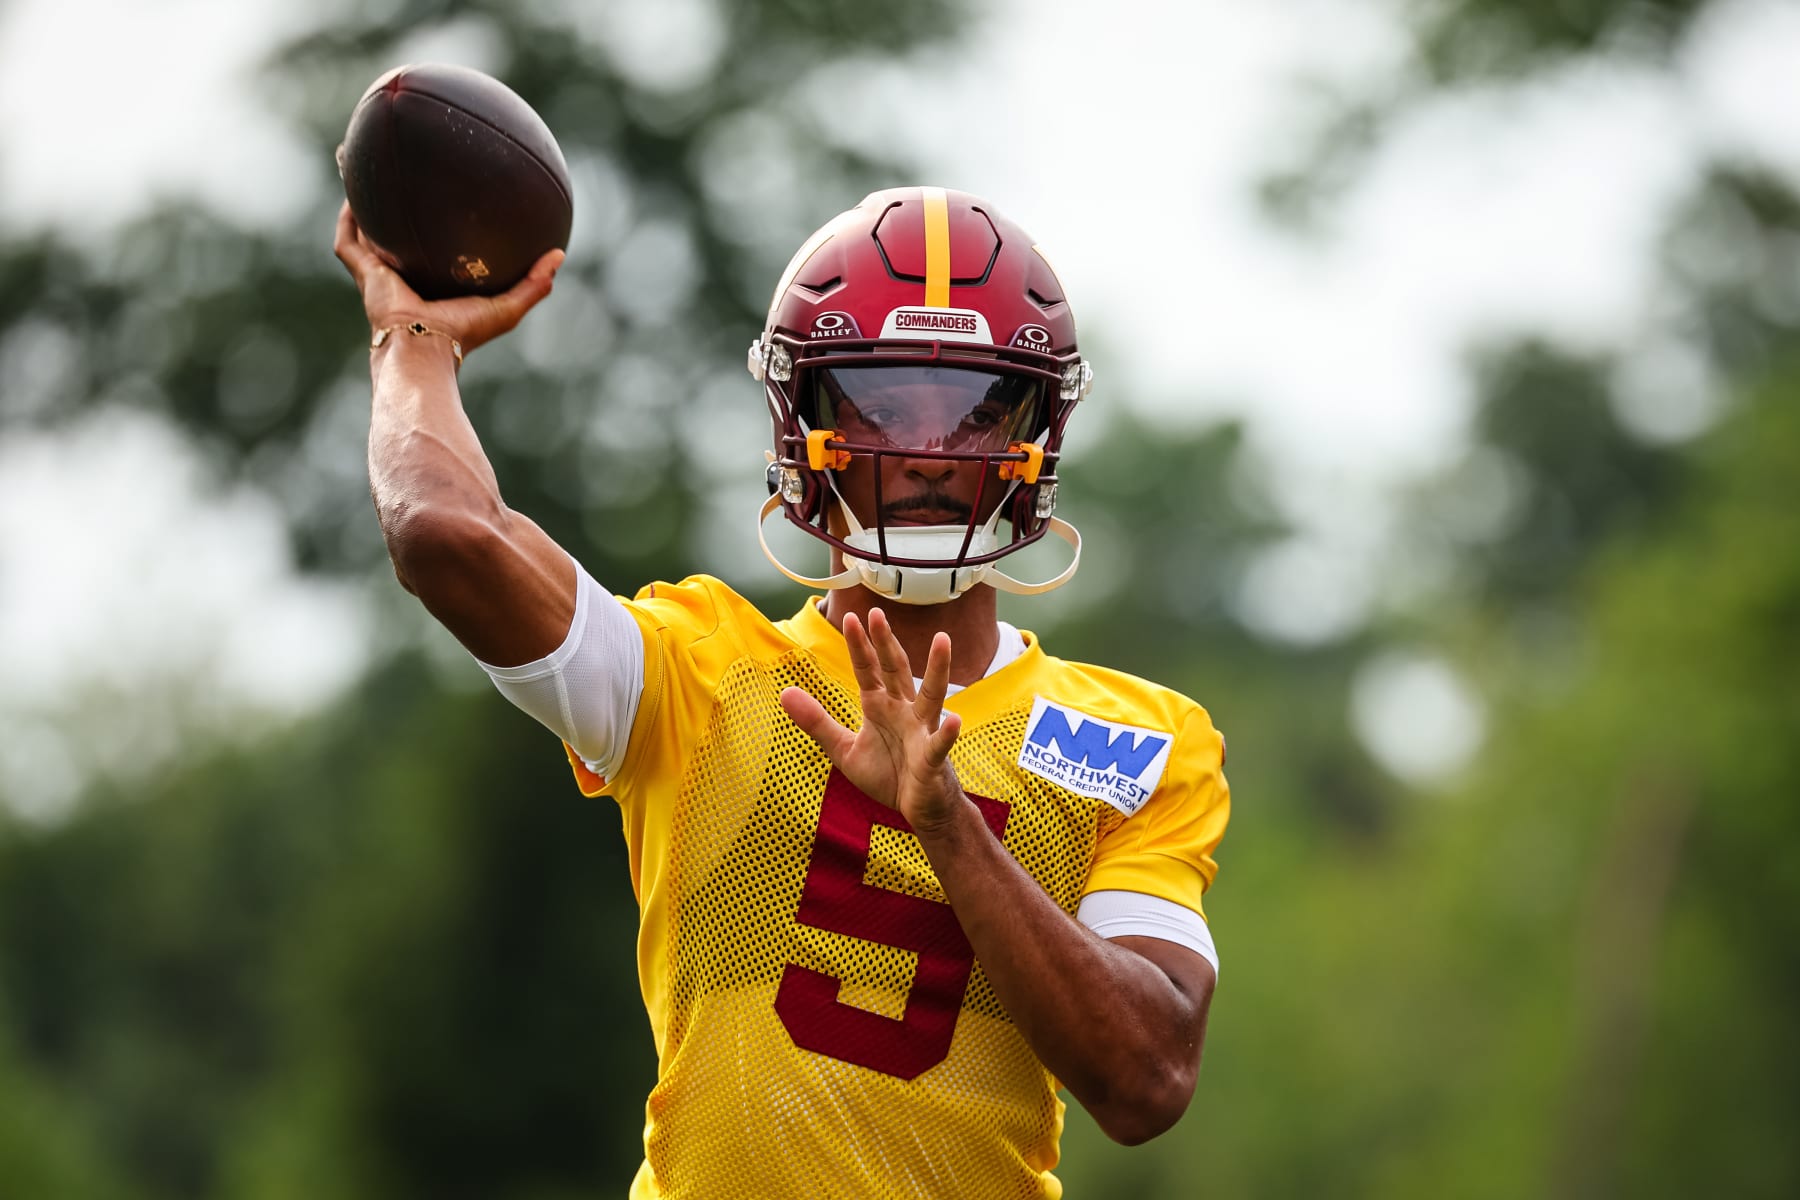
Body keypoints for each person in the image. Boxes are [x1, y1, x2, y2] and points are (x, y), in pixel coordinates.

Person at [334, 185, 1230, 1200]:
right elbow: (444, 537)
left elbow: (1148, 1079)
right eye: (882, 402)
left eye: (978, 410)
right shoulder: (702, 674)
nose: (926, 453)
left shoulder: (1138, 737)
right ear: (798, 419)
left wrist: (950, 829)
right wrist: (411, 336)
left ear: (1038, 432)